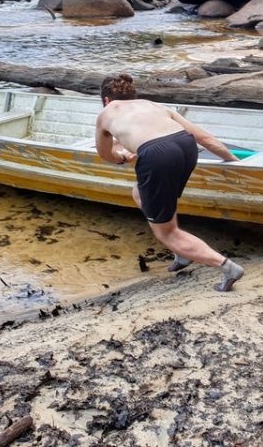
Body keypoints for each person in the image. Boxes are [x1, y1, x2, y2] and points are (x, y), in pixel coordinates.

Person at [95, 73, 244, 292]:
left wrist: (123, 157)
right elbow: (203, 138)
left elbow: (105, 154)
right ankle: (183, 255)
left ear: (106, 100)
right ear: (133, 95)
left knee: (166, 233)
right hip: (186, 146)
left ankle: (228, 268)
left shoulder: (106, 114)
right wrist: (234, 160)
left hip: (157, 155)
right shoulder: (153, 105)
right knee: (139, 191)